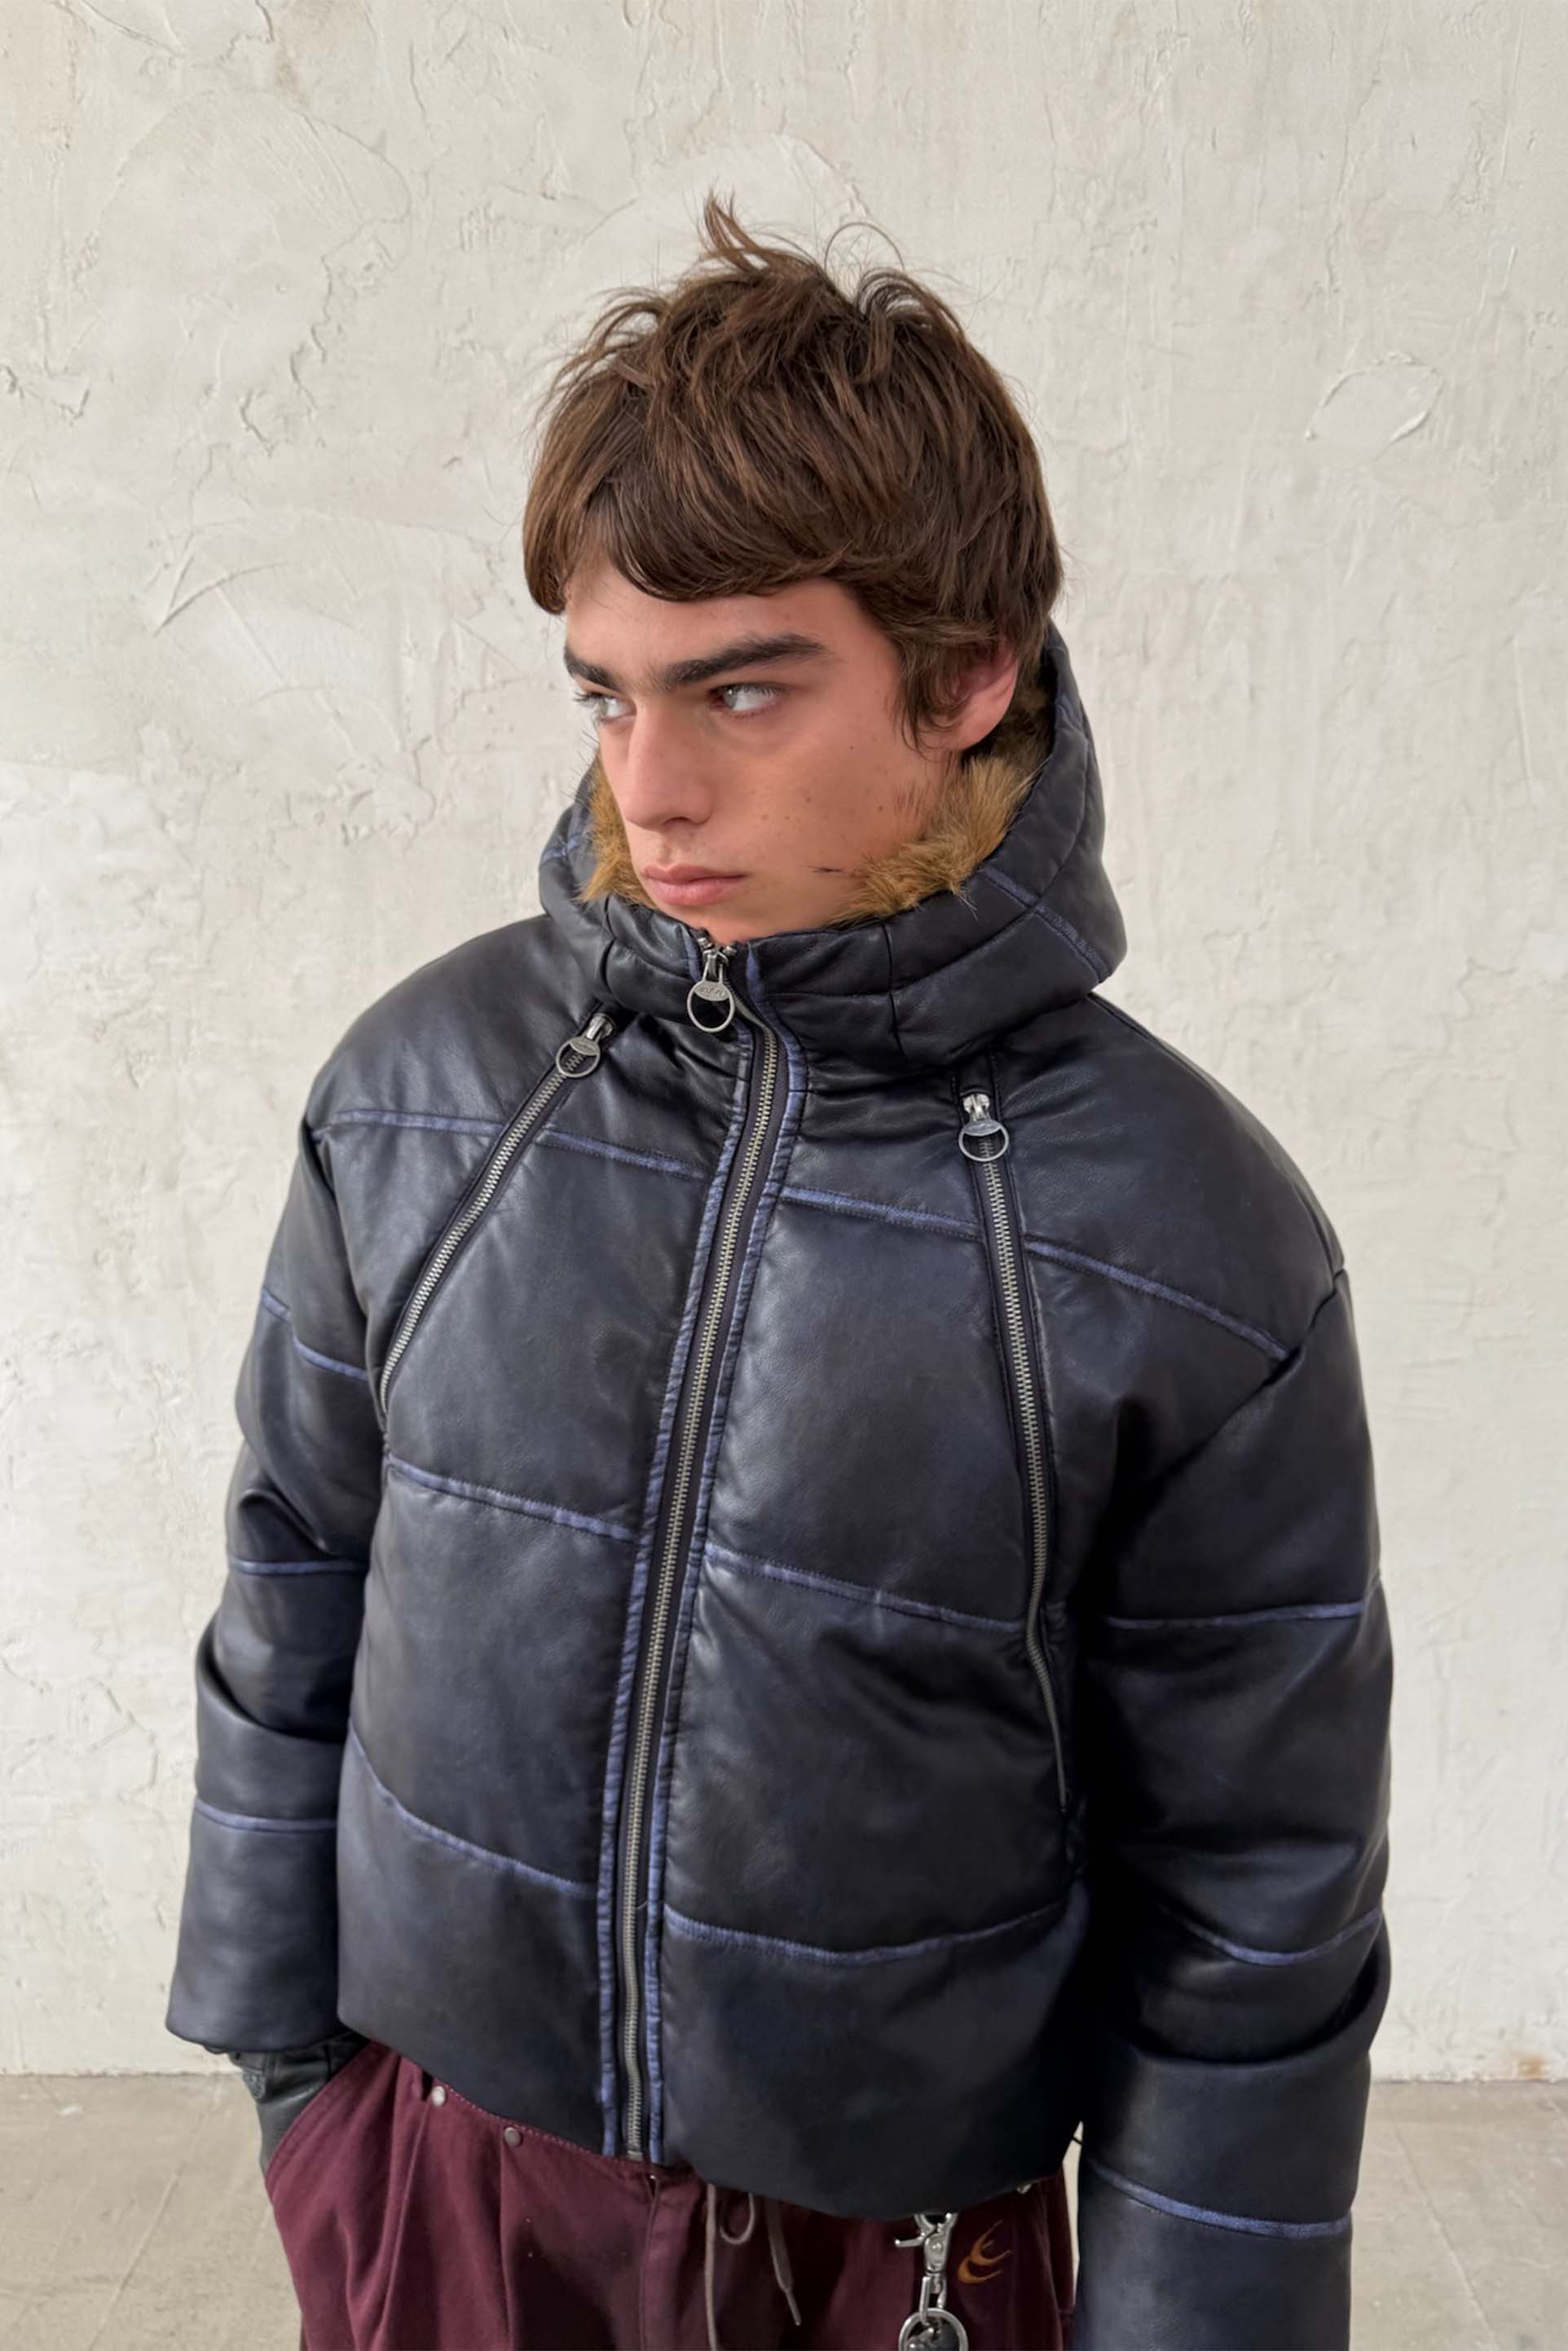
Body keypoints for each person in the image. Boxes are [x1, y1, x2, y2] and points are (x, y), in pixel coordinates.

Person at [163, 194, 1393, 2351]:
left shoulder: (1190, 1234)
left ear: (966, 675)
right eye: (608, 694)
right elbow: (295, 1593)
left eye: (741, 689)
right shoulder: (426, 1095)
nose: (649, 791)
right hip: (450, 2193)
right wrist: (296, 2088)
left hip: (896, 2264)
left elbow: (1260, 1894)